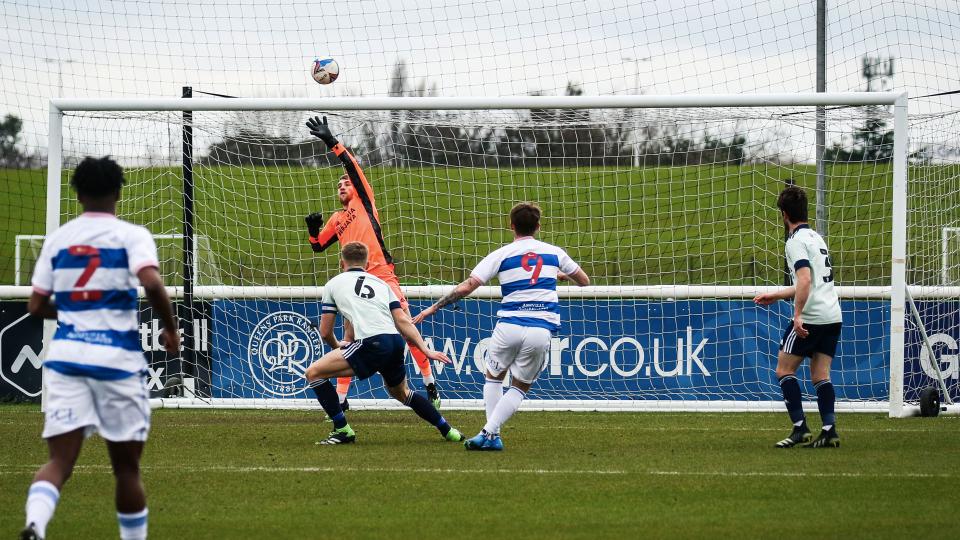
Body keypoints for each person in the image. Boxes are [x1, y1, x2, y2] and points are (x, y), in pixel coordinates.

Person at [21, 156, 180, 540]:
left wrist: (78, 308)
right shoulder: (131, 235)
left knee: (59, 461)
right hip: (118, 362)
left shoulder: (58, 239)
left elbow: (37, 305)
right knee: (126, 470)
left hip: (67, 358)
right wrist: (170, 330)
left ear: (76, 193)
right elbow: (153, 284)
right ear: (119, 192)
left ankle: (35, 525)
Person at [414, 202, 589, 451]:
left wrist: (433, 308)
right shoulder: (554, 253)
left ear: (511, 226)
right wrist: (558, 274)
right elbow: (583, 280)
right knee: (520, 387)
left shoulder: (502, 254)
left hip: (509, 326)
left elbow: (468, 286)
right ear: (538, 227)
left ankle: (490, 434)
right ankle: (490, 435)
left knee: (493, 378)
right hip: (541, 328)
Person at [303, 116, 441, 410]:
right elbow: (317, 247)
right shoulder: (337, 219)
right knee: (349, 338)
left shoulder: (363, 202)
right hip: (353, 282)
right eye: (338, 184)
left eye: (345, 183)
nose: (342, 185)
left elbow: (351, 168)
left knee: (406, 325)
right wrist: (312, 231)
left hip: (382, 277)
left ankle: (430, 385)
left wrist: (331, 141)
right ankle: (340, 400)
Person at [304, 241, 463, 445]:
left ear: (341, 263)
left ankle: (342, 429)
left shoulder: (333, 284)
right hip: (395, 342)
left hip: (372, 343)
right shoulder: (381, 284)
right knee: (403, 393)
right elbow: (403, 321)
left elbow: (325, 332)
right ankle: (449, 431)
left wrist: (338, 346)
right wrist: (426, 350)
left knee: (314, 373)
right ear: (367, 263)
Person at [753, 186, 842, 449]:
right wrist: (778, 295)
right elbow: (809, 281)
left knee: (783, 369)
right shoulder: (816, 237)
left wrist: (798, 315)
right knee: (820, 375)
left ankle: (800, 428)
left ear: (783, 215)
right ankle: (829, 431)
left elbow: (804, 279)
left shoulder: (794, 242)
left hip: (812, 317)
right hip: (832, 314)